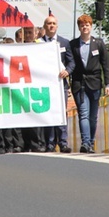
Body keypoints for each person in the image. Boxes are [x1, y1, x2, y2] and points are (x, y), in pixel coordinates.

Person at [69, 14, 109, 153]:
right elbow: (70, 64)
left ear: (91, 26)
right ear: (79, 27)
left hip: (95, 83)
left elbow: (106, 65)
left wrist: (108, 84)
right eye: (82, 25)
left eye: (87, 25)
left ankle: (91, 142)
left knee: (93, 117)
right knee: (83, 113)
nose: (84, 27)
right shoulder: (73, 44)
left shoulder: (98, 43)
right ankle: (85, 142)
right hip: (79, 84)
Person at [40, 15, 73, 153]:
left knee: (61, 114)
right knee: (48, 114)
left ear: (57, 26)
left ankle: (63, 142)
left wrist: (67, 71)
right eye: (49, 23)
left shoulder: (65, 43)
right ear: (44, 26)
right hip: (45, 85)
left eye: (54, 23)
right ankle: (50, 143)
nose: (51, 26)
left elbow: (72, 62)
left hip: (61, 85)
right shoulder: (38, 43)